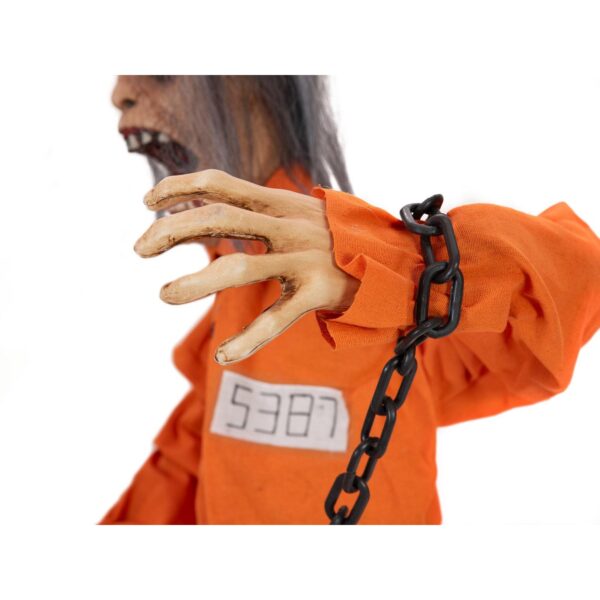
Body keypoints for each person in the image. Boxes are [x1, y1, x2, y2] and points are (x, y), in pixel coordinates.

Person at [101, 75, 600, 524]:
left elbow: (577, 283)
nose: (119, 93)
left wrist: (401, 267)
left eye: (161, 72)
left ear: (247, 85)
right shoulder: (234, 303)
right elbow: (187, 468)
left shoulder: (387, 302)